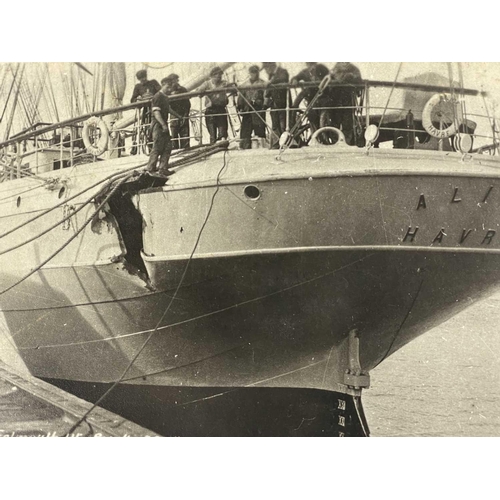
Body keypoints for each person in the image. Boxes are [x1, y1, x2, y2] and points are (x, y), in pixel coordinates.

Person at [147, 77, 182, 176]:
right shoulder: (157, 96)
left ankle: (163, 168)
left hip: (163, 124)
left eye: (170, 87)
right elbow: (156, 112)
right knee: (157, 147)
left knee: (167, 147)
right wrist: (163, 125)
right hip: (158, 125)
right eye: (167, 87)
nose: (169, 89)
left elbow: (168, 109)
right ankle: (150, 169)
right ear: (163, 85)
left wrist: (178, 116)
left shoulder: (165, 97)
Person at [327, 62, 363, 145]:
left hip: (348, 100)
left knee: (347, 124)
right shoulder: (334, 69)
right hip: (336, 100)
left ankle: (346, 142)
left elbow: (358, 82)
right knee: (335, 123)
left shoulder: (353, 69)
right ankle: (336, 142)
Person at [197, 66, 234, 144]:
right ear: (212, 76)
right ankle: (213, 145)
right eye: (217, 76)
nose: (219, 78)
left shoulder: (223, 83)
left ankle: (222, 143)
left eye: (220, 76)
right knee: (212, 133)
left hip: (221, 109)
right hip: (211, 110)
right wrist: (202, 91)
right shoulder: (207, 84)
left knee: (222, 131)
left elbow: (231, 85)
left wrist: (232, 85)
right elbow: (198, 92)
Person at [291, 63, 329, 133]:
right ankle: (316, 137)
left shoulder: (322, 69)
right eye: (309, 65)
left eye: (312, 65)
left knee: (323, 122)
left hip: (323, 99)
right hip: (311, 101)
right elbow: (296, 78)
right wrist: (295, 80)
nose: (311, 67)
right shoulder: (305, 72)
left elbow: (330, 77)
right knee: (312, 119)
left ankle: (325, 138)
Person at [130, 70, 161, 155]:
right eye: (140, 79)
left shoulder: (153, 83)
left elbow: (161, 93)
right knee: (148, 130)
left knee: (158, 128)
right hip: (146, 112)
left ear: (146, 76)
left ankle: (159, 149)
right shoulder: (138, 87)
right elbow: (132, 100)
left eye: (143, 77)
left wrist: (153, 97)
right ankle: (151, 151)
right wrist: (138, 99)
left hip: (155, 109)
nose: (142, 80)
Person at [236, 65, 266, 149]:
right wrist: (240, 107)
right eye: (252, 72)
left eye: (256, 72)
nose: (254, 74)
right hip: (247, 111)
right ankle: (244, 147)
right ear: (250, 73)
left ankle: (260, 147)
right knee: (245, 131)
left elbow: (266, 96)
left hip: (258, 110)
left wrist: (263, 105)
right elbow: (240, 98)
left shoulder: (262, 84)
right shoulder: (244, 85)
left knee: (259, 130)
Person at [262, 62, 290, 149]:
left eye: (266, 68)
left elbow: (283, 78)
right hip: (274, 105)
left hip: (283, 104)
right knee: (275, 126)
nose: (266, 71)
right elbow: (269, 91)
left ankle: (285, 143)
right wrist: (265, 104)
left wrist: (271, 82)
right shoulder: (271, 76)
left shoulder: (282, 72)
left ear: (271, 66)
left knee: (283, 125)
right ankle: (276, 144)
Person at [165, 73, 191, 149]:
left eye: (174, 80)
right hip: (173, 114)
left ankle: (186, 149)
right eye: (171, 81)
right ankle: (175, 150)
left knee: (185, 135)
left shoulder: (183, 89)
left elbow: (187, 104)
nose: (173, 82)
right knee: (174, 134)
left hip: (183, 113)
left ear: (177, 80)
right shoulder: (167, 91)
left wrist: (186, 115)